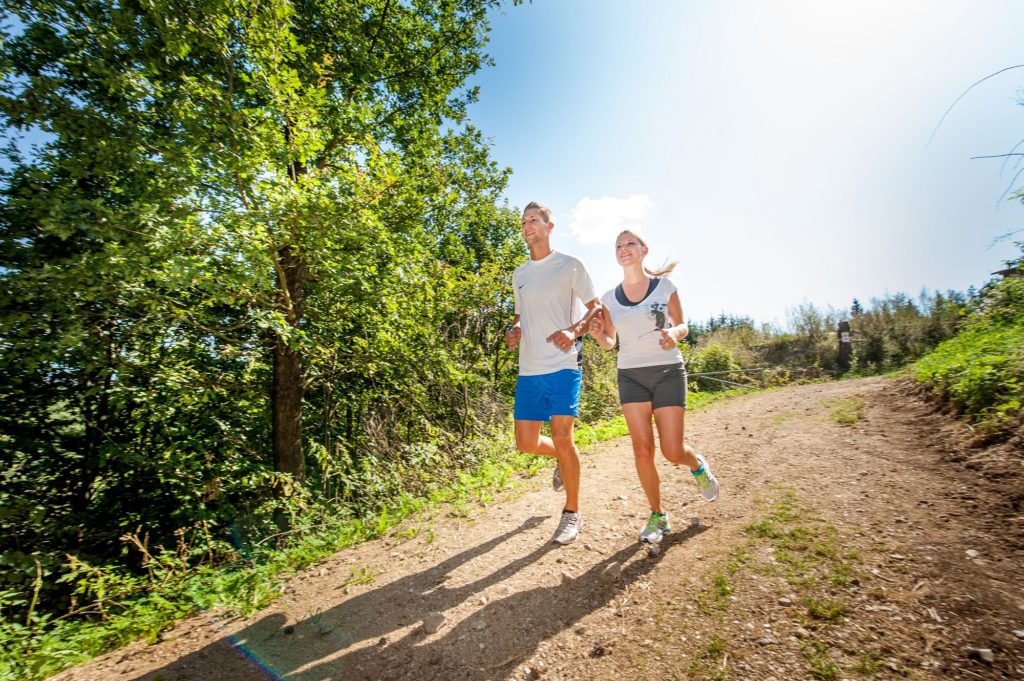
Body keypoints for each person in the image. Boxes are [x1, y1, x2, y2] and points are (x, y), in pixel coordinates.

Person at [588, 229, 719, 546]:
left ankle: (697, 466)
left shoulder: (665, 287)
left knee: (672, 450)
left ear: (644, 250)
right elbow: (609, 343)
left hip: (667, 371)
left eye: (629, 243)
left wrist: (674, 334)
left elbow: (683, 324)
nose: (623, 249)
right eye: (618, 246)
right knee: (642, 450)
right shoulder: (608, 298)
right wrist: (595, 335)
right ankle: (658, 515)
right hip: (630, 375)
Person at [505, 202, 602, 545]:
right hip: (529, 368)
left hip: (563, 363)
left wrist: (573, 332)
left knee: (563, 436)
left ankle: (572, 513)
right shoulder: (520, 275)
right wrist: (513, 330)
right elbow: (519, 317)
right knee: (526, 443)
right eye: (523, 221)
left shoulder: (570, 266)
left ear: (550, 225)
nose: (527, 225)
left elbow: (597, 310)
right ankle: (563, 461)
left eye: (534, 219)